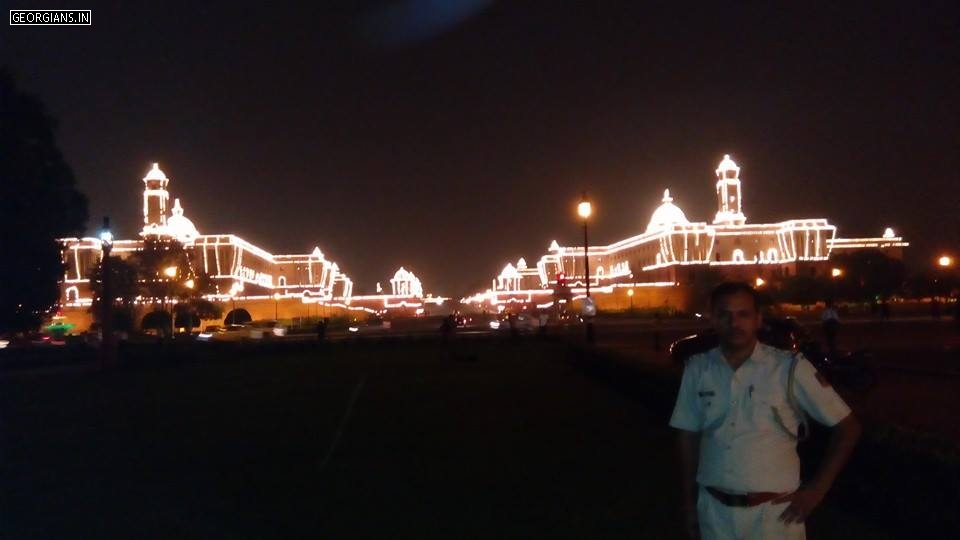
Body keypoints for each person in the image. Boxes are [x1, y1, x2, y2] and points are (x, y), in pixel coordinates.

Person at [670, 282, 861, 540]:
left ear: (758, 319)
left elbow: (847, 427)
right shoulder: (698, 369)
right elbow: (688, 437)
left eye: (743, 314)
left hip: (775, 516)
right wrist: (689, 504)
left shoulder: (788, 369)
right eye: (725, 314)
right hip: (714, 513)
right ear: (713, 319)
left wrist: (817, 491)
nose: (734, 322)